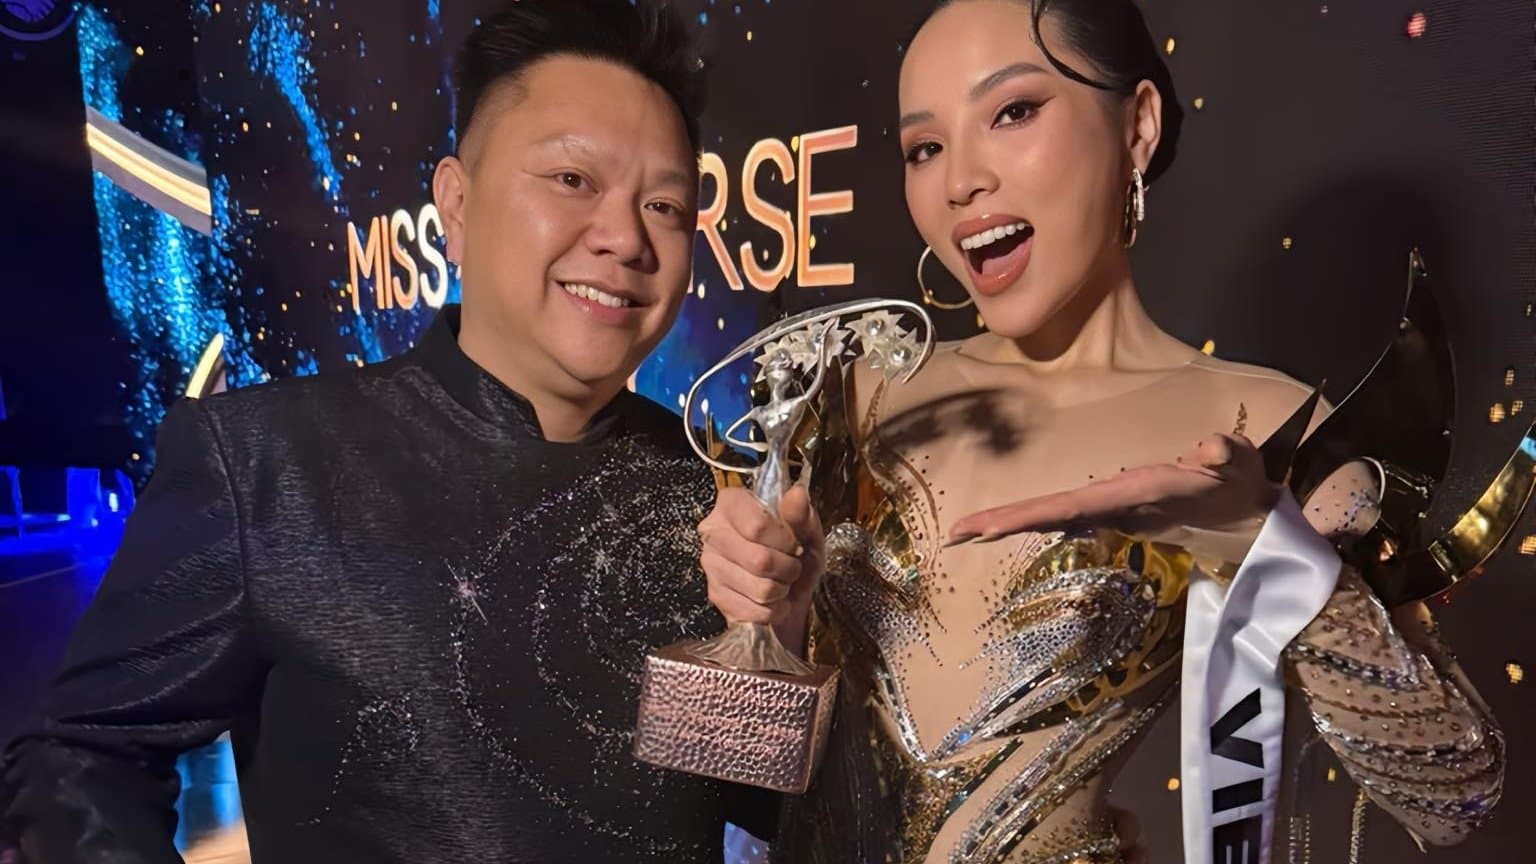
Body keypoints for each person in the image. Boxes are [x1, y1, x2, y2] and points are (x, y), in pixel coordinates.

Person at [696, 1, 1504, 862]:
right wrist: (769, 632)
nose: (959, 180)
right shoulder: (856, 395)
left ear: (1138, 126)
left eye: (1013, 111)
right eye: (925, 147)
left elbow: (1453, 797)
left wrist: (1273, 554)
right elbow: (737, 795)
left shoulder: (1267, 431)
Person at [0, 2, 778, 861]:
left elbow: (752, 801)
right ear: (456, 203)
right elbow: (81, 756)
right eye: (572, 180)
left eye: (664, 205)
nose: (625, 238)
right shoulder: (264, 464)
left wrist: (780, 639)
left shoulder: (720, 489)